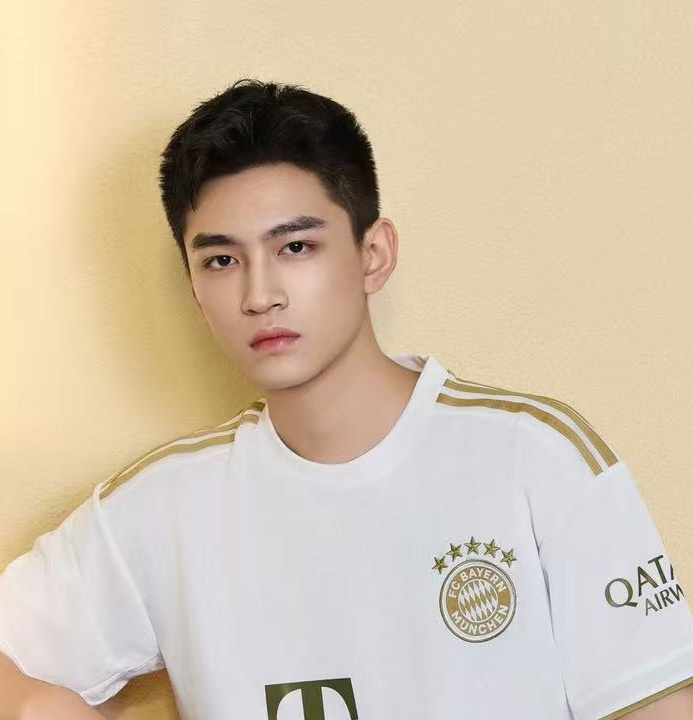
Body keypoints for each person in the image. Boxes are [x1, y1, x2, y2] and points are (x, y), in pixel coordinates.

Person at [1, 78, 692, 720]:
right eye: (221, 260)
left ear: (373, 254)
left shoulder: (533, 456)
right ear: (194, 288)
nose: (259, 294)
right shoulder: (163, 508)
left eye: (296, 247)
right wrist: (34, 706)